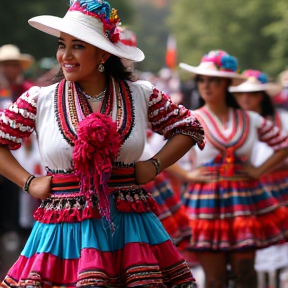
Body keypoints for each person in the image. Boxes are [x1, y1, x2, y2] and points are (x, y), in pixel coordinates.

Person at [0, 0, 205, 287]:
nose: (65, 55)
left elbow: (188, 127)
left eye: (78, 46)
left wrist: (155, 165)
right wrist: (28, 182)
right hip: (65, 227)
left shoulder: (141, 94)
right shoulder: (40, 99)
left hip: (129, 226)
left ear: (103, 53)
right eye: (62, 45)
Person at [178, 50, 288, 288]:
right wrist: (187, 174)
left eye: (213, 80)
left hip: (243, 201)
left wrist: (259, 171)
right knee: (215, 279)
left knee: (245, 273)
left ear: (226, 83)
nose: (206, 86)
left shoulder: (250, 119)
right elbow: (161, 154)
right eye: (202, 80)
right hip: (205, 201)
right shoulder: (191, 119)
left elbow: (284, 145)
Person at [229, 69, 288, 288]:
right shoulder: (236, 124)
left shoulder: (283, 120)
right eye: (242, 94)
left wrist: (265, 168)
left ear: (262, 96)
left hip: (281, 190)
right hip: (248, 193)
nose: (246, 99)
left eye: (252, 94)